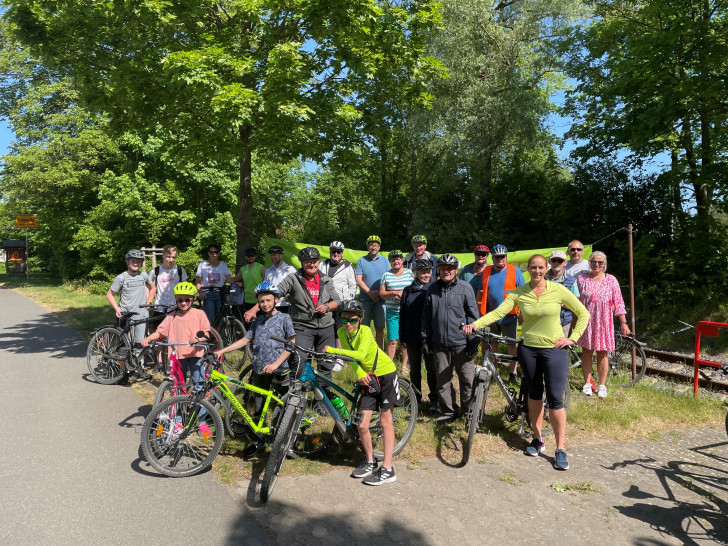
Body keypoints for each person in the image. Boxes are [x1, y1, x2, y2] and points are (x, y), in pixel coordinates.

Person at [464, 254, 589, 471]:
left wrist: (572, 338)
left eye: (541, 267)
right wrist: (475, 324)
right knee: (533, 395)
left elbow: (583, 312)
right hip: (529, 349)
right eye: (533, 267)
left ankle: (560, 449)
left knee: (555, 400)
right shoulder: (520, 293)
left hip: (554, 350)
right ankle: (538, 438)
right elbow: (498, 312)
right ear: (528, 269)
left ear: (546, 267)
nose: (537, 271)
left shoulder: (557, 290)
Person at [214, 282, 295, 458]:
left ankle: (284, 442)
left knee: (282, 408)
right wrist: (223, 350)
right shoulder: (258, 320)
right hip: (259, 369)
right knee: (259, 407)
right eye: (261, 301)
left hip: (280, 370)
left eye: (268, 300)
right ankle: (259, 441)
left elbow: (291, 344)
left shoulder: (284, 319)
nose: (265, 304)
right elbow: (245, 340)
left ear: (275, 299)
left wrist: (275, 364)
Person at [325, 300, 401, 486]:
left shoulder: (366, 331)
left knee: (385, 421)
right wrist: (359, 373)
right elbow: (351, 360)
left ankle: (388, 469)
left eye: (352, 320)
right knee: (362, 425)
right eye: (344, 320)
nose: (348, 324)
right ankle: (370, 461)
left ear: (360, 319)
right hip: (369, 377)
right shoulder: (342, 332)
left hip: (386, 374)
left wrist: (332, 350)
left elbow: (358, 354)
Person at [141, 282, 212, 436]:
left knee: (199, 387)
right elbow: (159, 332)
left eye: (187, 300)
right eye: (180, 300)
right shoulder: (171, 317)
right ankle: (178, 420)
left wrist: (199, 338)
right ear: (176, 301)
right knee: (178, 389)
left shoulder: (199, 314)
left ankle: (202, 421)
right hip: (178, 358)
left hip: (196, 356)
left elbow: (207, 334)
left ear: (193, 299)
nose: (184, 303)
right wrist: (148, 339)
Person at [421, 253, 480, 423]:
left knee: (467, 380)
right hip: (439, 343)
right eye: (443, 268)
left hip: (462, 343)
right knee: (443, 381)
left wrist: (473, 341)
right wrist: (426, 339)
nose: (446, 271)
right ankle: (449, 411)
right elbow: (426, 316)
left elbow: (472, 316)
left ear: (456, 270)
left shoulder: (465, 287)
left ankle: (469, 413)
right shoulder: (432, 289)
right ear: (438, 269)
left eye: (450, 268)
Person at [276, 247, 340, 384]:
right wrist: (259, 306)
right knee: (299, 360)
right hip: (302, 327)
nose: (311, 264)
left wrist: (327, 307)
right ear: (302, 263)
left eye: (314, 261)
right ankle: (296, 396)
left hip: (326, 327)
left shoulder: (326, 280)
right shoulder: (293, 279)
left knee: (326, 363)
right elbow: (276, 292)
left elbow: (337, 301)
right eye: (308, 262)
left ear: (318, 262)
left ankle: (322, 399)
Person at [575, 251, 630, 399]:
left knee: (602, 353)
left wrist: (623, 322)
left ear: (604, 264)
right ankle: (587, 383)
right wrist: (575, 323)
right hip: (587, 321)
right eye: (594, 262)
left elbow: (618, 302)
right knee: (586, 351)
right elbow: (575, 302)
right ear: (589, 263)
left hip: (604, 322)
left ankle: (602, 385)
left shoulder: (611, 280)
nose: (596, 265)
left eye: (600, 262)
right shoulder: (581, 279)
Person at [476, 244, 525, 383]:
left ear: (506, 257)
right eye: (497, 257)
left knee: (511, 344)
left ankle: (513, 374)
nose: (500, 259)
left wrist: (522, 312)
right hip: (491, 315)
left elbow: (523, 293)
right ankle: (493, 373)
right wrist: (479, 312)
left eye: (502, 256)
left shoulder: (514, 270)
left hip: (509, 315)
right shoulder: (487, 271)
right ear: (493, 258)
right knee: (493, 344)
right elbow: (480, 292)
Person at [106, 249, 153, 377]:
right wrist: (117, 309)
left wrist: (149, 301)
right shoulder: (121, 277)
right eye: (133, 261)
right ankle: (124, 369)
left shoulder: (143, 275)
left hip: (141, 314)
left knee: (140, 342)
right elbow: (110, 295)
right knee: (127, 344)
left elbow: (152, 288)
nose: (135, 264)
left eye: (138, 262)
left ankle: (138, 368)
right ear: (128, 262)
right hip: (126, 315)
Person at [400, 258, 438, 412]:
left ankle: (434, 399)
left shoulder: (435, 289)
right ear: (416, 273)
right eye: (422, 272)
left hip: (430, 336)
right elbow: (403, 314)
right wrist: (402, 336)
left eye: (428, 272)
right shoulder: (408, 290)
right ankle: (415, 398)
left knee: (432, 369)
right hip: (411, 335)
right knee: (414, 369)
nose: (426, 275)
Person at [379, 250, 414, 371]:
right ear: (390, 262)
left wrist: (405, 295)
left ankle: (404, 366)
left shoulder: (410, 273)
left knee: (405, 340)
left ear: (402, 260)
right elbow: (382, 294)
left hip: (408, 312)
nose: (396, 261)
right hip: (392, 312)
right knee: (392, 340)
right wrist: (394, 293)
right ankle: (389, 366)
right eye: (393, 260)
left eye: (398, 259)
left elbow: (415, 288)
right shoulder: (386, 275)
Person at [355, 235, 390, 350]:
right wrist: (370, 293)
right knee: (364, 327)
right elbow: (359, 279)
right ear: (367, 246)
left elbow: (388, 278)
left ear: (379, 247)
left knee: (380, 327)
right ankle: (364, 350)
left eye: (375, 245)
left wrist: (378, 294)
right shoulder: (362, 260)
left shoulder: (385, 260)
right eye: (371, 244)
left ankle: (380, 351)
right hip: (365, 299)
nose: (373, 247)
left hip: (381, 299)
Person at [245, 245, 296, 321]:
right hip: (270, 305)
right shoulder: (269, 270)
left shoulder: (290, 269)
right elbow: (265, 288)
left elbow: (295, 287)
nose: (273, 257)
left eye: (275, 255)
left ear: (281, 255)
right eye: (271, 255)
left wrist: (290, 296)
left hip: (285, 305)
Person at [148, 245, 188, 322]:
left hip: (176, 306)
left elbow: (185, 288)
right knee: (159, 332)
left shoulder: (180, 270)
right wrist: (148, 301)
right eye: (168, 257)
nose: (171, 259)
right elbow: (148, 287)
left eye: (173, 257)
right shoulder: (155, 271)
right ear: (163, 255)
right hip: (159, 307)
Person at [195, 243, 233, 325]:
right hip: (208, 294)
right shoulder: (202, 265)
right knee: (210, 319)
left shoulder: (223, 265)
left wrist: (236, 281)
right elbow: (198, 281)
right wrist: (200, 293)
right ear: (208, 253)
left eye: (216, 252)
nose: (214, 254)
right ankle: (211, 337)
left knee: (220, 320)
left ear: (219, 253)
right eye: (211, 252)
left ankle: (218, 337)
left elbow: (229, 278)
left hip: (220, 293)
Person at [545, 250, 580, 338]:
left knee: (560, 349)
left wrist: (562, 303)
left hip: (563, 322)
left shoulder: (572, 281)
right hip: (543, 321)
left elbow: (576, 304)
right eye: (554, 260)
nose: (556, 263)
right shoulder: (541, 278)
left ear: (565, 263)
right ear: (550, 262)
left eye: (559, 261)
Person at [231, 246, 265, 320]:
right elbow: (234, 279)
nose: (250, 258)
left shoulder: (261, 267)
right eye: (248, 256)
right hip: (247, 300)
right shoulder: (243, 269)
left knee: (259, 322)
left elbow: (267, 281)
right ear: (245, 257)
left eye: (252, 255)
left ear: (255, 256)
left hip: (258, 300)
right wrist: (222, 279)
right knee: (248, 322)